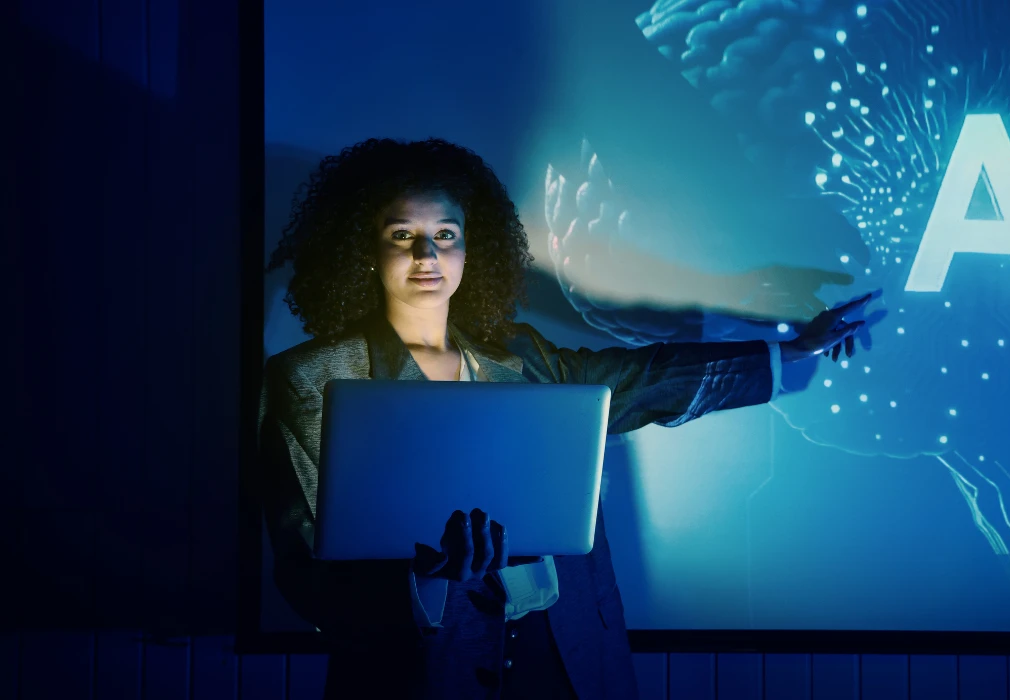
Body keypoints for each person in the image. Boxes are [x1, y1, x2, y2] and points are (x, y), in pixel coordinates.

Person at [258, 137, 873, 699]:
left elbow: (642, 378)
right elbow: (306, 567)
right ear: (366, 251)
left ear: (472, 252)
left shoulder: (522, 356)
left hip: (566, 653)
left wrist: (788, 351)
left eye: (446, 234)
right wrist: (425, 578)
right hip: (417, 672)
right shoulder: (311, 379)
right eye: (402, 235)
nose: (427, 253)